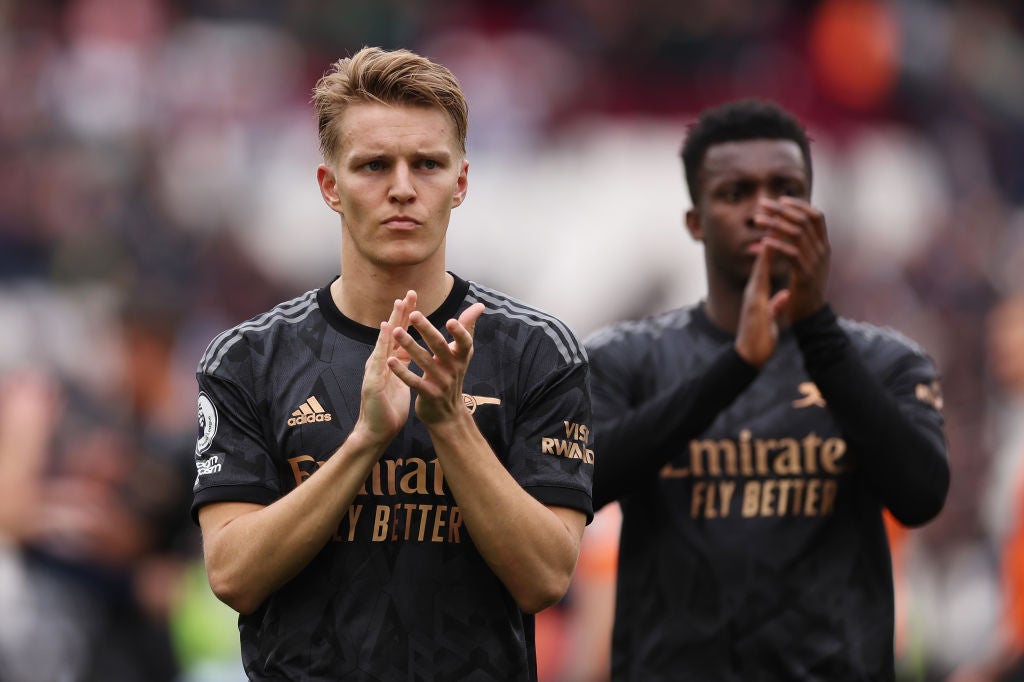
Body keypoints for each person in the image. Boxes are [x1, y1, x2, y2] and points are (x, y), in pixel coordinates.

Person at [189, 46, 593, 681]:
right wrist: (364, 441)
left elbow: (544, 578)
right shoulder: (248, 358)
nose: (402, 188)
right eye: (374, 165)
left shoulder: (537, 353)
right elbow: (232, 575)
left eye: (427, 164)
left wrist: (450, 424)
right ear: (330, 186)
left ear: (460, 183)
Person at [585, 98, 950, 681]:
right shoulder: (625, 360)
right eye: (736, 194)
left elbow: (921, 496)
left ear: (811, 206)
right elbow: (582, 487)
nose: (764, 210)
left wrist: (818, 334)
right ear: (695, 222)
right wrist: (734, 367)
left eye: (785, 189)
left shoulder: (887, 361)